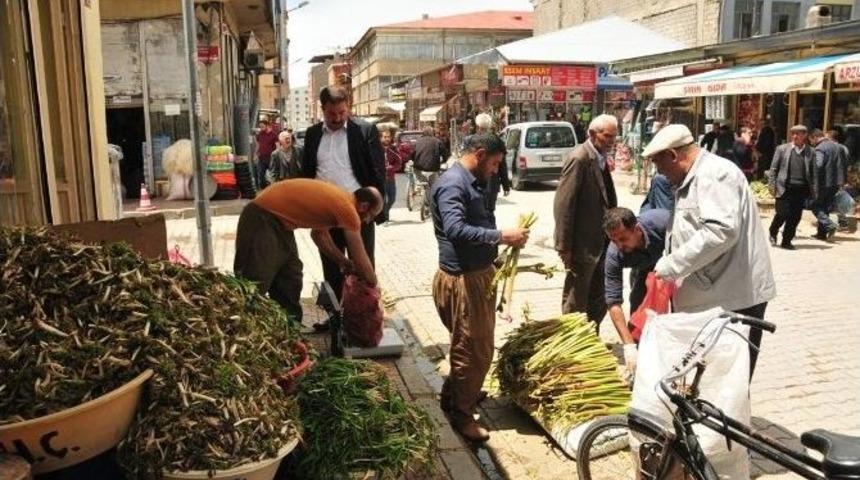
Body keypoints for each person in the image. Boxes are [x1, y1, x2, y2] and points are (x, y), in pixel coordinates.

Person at [643, 124, 776, 378]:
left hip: (735, 298)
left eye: (660, 165)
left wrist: (672, 265)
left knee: (728, 378)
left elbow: (720, 232)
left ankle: (727, 417)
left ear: (673, 155)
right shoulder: (691, 176)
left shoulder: (715, 174)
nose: (660, 173)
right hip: (714, 293)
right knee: (709, 375)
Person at [431, 133, 530, 442]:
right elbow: (455, 229)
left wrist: (494, 258)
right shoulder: (452, 184)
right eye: (495, 163)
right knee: (472, 350)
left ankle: (458, 396)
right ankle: (461, 415)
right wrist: (502, 237)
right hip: (463, 281)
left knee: (472, 346)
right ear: (479, 153)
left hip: (478, 274)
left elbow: (480, 221)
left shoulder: (475, 180)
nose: (495, 170)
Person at [233, 179, 381, 323]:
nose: (368, 221)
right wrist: (373, 285)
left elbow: (319, 236)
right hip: (263, 218)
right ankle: (239, 328)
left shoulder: (340, 200)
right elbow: (360, 258)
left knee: (291, 276)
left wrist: (343, 261)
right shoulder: (348, 209)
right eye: (371, 215)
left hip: (281, 224)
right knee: (255, 280)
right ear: (363, 206)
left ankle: (290, 332)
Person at [301, 86, 386, 309]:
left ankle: (365, 314)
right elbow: (307, 173)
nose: (337, 118)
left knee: (363, 265)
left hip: (357, 212)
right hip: (325, 214)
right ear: (322, 110)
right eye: (331, 114)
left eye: (342, 112)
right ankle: (335, 319)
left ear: (348, 108)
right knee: (331, 268)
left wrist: (375, 211)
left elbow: (377, 172)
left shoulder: (365, 131)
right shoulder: (312, 135)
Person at [553, 114, 619, 321]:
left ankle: (592, 336)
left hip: (601, 242)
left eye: (614, 137)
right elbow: (564, 205)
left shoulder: (599, 158)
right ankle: (573, 341)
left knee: (598, 296)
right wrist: (564, 246)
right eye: (608, 136)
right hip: (583, 245)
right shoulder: (579, 158)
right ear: (592, 134)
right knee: (576, 298)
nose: (612, 142)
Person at [602, 207, 670, 373]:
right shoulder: (614, 254)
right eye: (613, 239)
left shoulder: (663, 223)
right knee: (639, 310)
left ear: (637, 230)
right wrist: (628, 346)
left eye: (623, 239)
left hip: (673, 264)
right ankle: (642, 361)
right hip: (644, 267)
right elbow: (613, 302)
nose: (619, 245)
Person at [767, 125, 815, 250]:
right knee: (782, 213)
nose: (794, 136)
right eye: (793, 133)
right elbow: (773, 170)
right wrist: (772, 187)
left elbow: (813, 173)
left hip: (800, 189)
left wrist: (814, 191)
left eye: (798, 133)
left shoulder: (811, 152)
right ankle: (773, 231)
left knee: (795, 217)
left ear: (804, 135)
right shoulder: (782, 149)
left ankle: (786, 241)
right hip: (784, 188)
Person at [810, 129, 844, 241]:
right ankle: (821, 234)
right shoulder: (836, 146)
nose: (811, 143)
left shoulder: (820, 148)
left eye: (811, 140)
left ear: (815, 137)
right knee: (825, 208)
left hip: (823, 183)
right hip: (835, 183)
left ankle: (829, 225)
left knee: (814, 205)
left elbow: (818, 166)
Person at [475, 112, 511, 211]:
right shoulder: (498, 141)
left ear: (477, 126)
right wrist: (506, 185)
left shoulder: (471, 140)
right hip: (492, 184)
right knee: (490, 212)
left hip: (475, 184)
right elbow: (502, 165)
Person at [412, 126, 446, 207]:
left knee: (423, 183)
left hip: (419, 168)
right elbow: (445, 153)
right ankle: (432, 202)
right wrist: (442, 161)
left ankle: (424, 191)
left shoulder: (418, 141)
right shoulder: (437, 141)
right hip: (433, 168)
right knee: (433, 185)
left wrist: (413, 160)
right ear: (432, 133)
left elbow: (412, 154)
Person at [826, 129, 852, 230]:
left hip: (835, 178)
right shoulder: (844, 148)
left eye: (826, 138)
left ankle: (834, 224)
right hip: (840, 178)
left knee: (834, 200)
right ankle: (842, 222)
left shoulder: (837, 148)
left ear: (831, 138)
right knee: (838, 199)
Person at [380, 126, 402, 222]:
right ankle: (385, 217)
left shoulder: (393, 149)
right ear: (380, 138)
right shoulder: (376, 148)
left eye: (388, 137)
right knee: (383, 199)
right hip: (380, 179)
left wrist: (391, 168)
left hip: (390, 178)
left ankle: (384, 213)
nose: (387, 139)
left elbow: (399, 163)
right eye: (385, 137)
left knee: (392, 198)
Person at [255, 119, 279, 189]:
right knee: (261, 174)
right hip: (261, 158)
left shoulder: (273, 135)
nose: (261, 128)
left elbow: (277, 146)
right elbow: (258, 145)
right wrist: (255, 154)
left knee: (273, 174)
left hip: (271, 158)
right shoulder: (260, 134)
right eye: (260, 127)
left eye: (262, 126)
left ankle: (275, 188)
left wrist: (277, 156)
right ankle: (264, 188)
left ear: (267, 126)